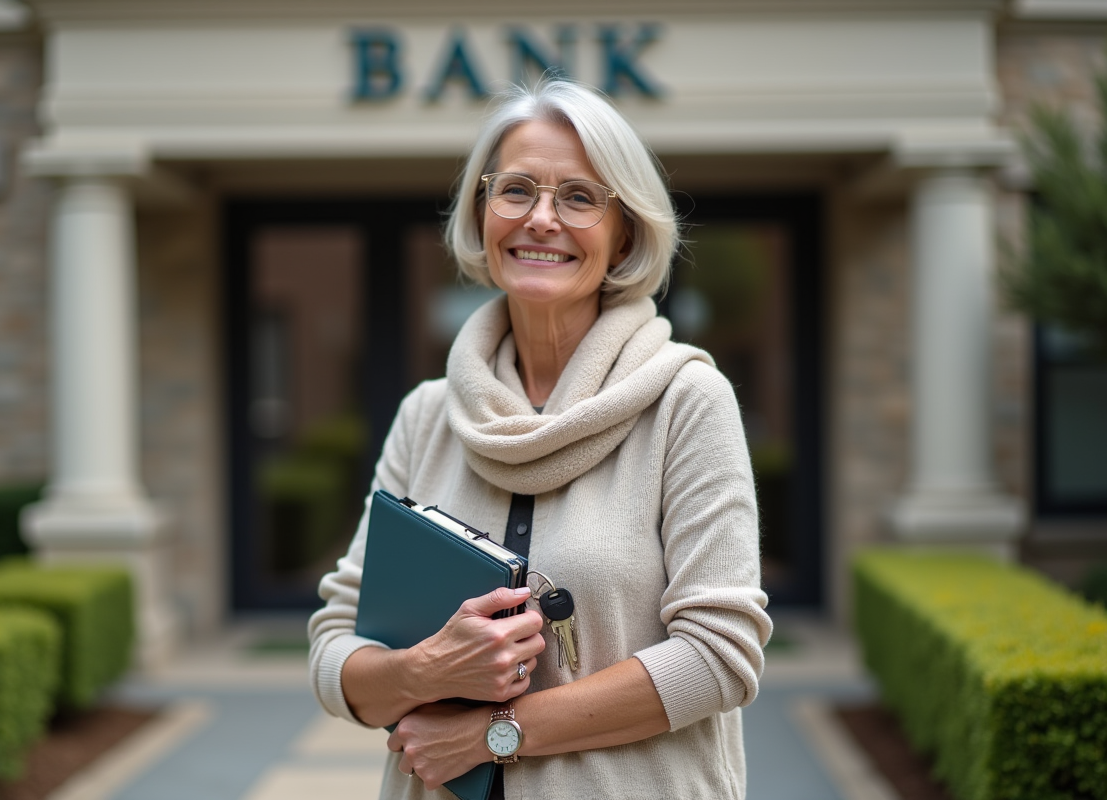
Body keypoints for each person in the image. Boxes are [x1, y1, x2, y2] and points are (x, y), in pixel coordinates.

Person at [307, 77, 772, 800]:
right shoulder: (427, 416)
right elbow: (337, 653)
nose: (542, 219)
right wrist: (426, 670)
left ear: (625, 234)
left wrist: (497, 728)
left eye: (580, 197)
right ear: (483, 211)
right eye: (516, 189)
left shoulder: (687, 403)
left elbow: (720, 657)